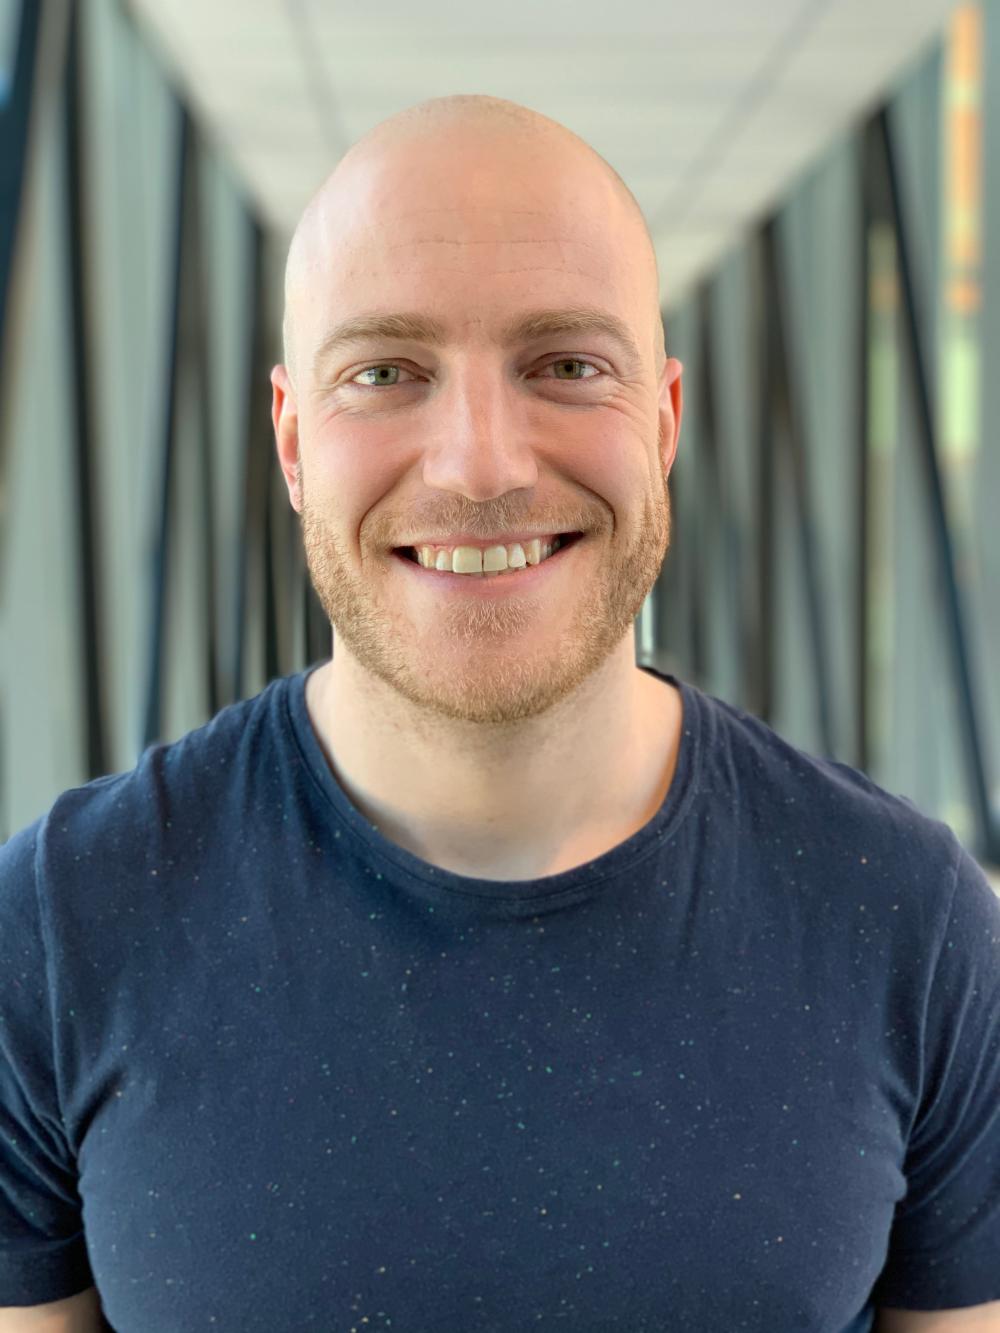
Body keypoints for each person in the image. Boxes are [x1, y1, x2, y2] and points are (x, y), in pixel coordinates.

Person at [1, 95, 998, 1333]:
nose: (480, 464)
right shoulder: (62, 926)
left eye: (565, 365)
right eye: (385, 373)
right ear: (294, 442)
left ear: (664, 421)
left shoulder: (908, 920)